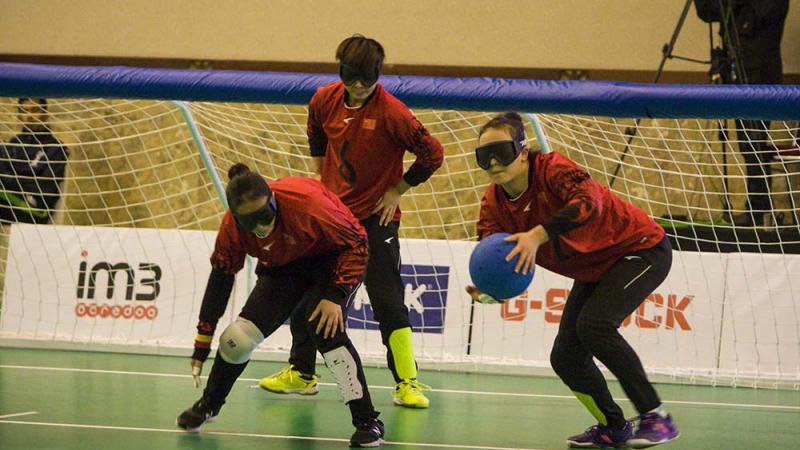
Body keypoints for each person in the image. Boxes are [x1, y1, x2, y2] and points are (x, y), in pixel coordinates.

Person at [467, 112, 679, 448]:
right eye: (484, 156)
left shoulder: (552, 169)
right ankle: (614, 426)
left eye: (502, 151)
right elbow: (497, 260)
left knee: (595, 326)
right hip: (593, 267)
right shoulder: (493, 204)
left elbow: (589, 202)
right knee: (565, 357)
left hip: (640, 249)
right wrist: (491, 291)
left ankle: (657, 417)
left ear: (523, 151)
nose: (493, 162)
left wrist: (537, 235)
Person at [259, 35, 444, 409]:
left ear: (378, 74)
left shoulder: (392, 112)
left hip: (375, 221)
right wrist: (319, 174)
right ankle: (302, 373)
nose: (359, 87)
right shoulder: (324, 99)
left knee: (388, 301)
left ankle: (407, 382)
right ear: (340, 69)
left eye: (367, 80)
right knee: (311, 293)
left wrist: (397, 190)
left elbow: (432, 153)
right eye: (352, 78)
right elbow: (315, 132)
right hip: (332, 220)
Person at [176, 163, 384, 447]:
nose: (259, 226)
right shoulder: (232, 229)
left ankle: (368, 421)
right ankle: (209, 404)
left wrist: (336, 294)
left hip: (332, 261)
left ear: (273, 199)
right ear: (235, 217)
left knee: (325, 330)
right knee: (237, 339)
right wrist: (203, 343)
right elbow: (221, 279)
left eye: (264, 215)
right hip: (284, 267)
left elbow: (357, 243)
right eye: (249, 221)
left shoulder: (309, 203)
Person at [694, 0, 790, 227]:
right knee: (745, 145)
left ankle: (758, 212)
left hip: (760, 80)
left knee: (753, 145)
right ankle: (752, 211)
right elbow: (707, 12)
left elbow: (766, 14)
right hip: (735, 76)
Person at [0, 98, 69, 224]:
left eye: (35, 110)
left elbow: (44, 187)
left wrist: (10, 180)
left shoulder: (56, 149)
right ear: (19, 116)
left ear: (45, 113)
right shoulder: (11, 145)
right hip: (7, 202)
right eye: (24, 111)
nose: (29, 115)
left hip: (37, 210)